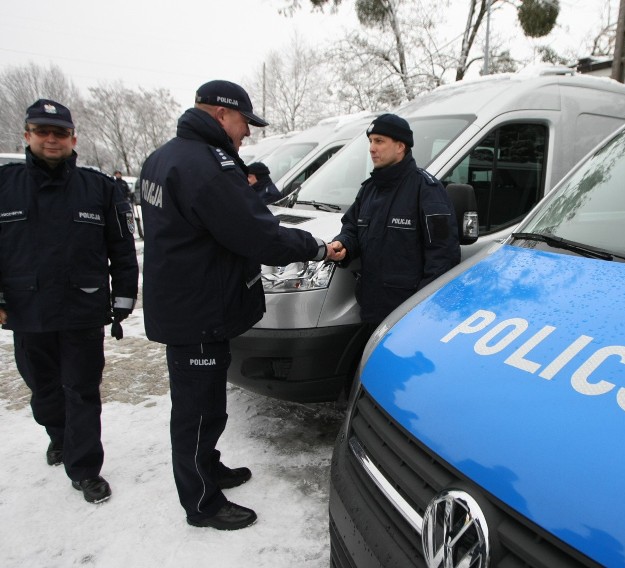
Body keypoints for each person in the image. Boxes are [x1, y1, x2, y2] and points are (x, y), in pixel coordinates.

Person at [139, 80, 344, 531]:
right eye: (243, 122)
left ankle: (208, 468)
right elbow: (258, 235)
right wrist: (315, 248)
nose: (247, 133)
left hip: (190, 302)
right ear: (220, 115)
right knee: (194, 411)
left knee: (209, 402)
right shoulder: (205, 167)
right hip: (197, 310)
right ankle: (202, 504)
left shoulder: (164, 157)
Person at [0, 99, 139, 504]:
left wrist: (124, 299)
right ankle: (58, 435)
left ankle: (85, 468)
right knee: (44, 389)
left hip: (82, 308)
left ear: (72, 138)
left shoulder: (99, 188)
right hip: (28, 311)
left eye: (59, 133)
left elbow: (122, 248)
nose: (51, 139)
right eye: (42, 131)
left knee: (82, 390)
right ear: (27, 136)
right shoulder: (5, 185)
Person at [329, 113, 460, 332]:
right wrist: (343, 244)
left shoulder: (426, 190)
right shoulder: (368, 190)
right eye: (370, 141)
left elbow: (443, 258)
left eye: (379, 141)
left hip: (409, 318)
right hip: (371, 311)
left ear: (400, 146)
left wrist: (420, 309)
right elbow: (352, 227)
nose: (372, 148)